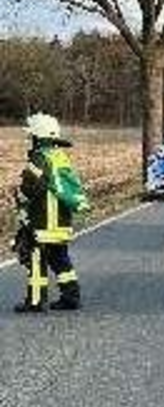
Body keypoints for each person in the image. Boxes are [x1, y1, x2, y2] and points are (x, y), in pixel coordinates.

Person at [13, 113, 89, 313]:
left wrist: (19, 195)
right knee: (60, 259)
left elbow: (31, 188)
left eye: (32, 136)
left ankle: (36, 301)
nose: (30, 140)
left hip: (42, 220)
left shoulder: (39, 159)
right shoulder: (59, 157)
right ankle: (71, 296)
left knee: (36, 259)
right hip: (61, 220)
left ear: (38, 137)